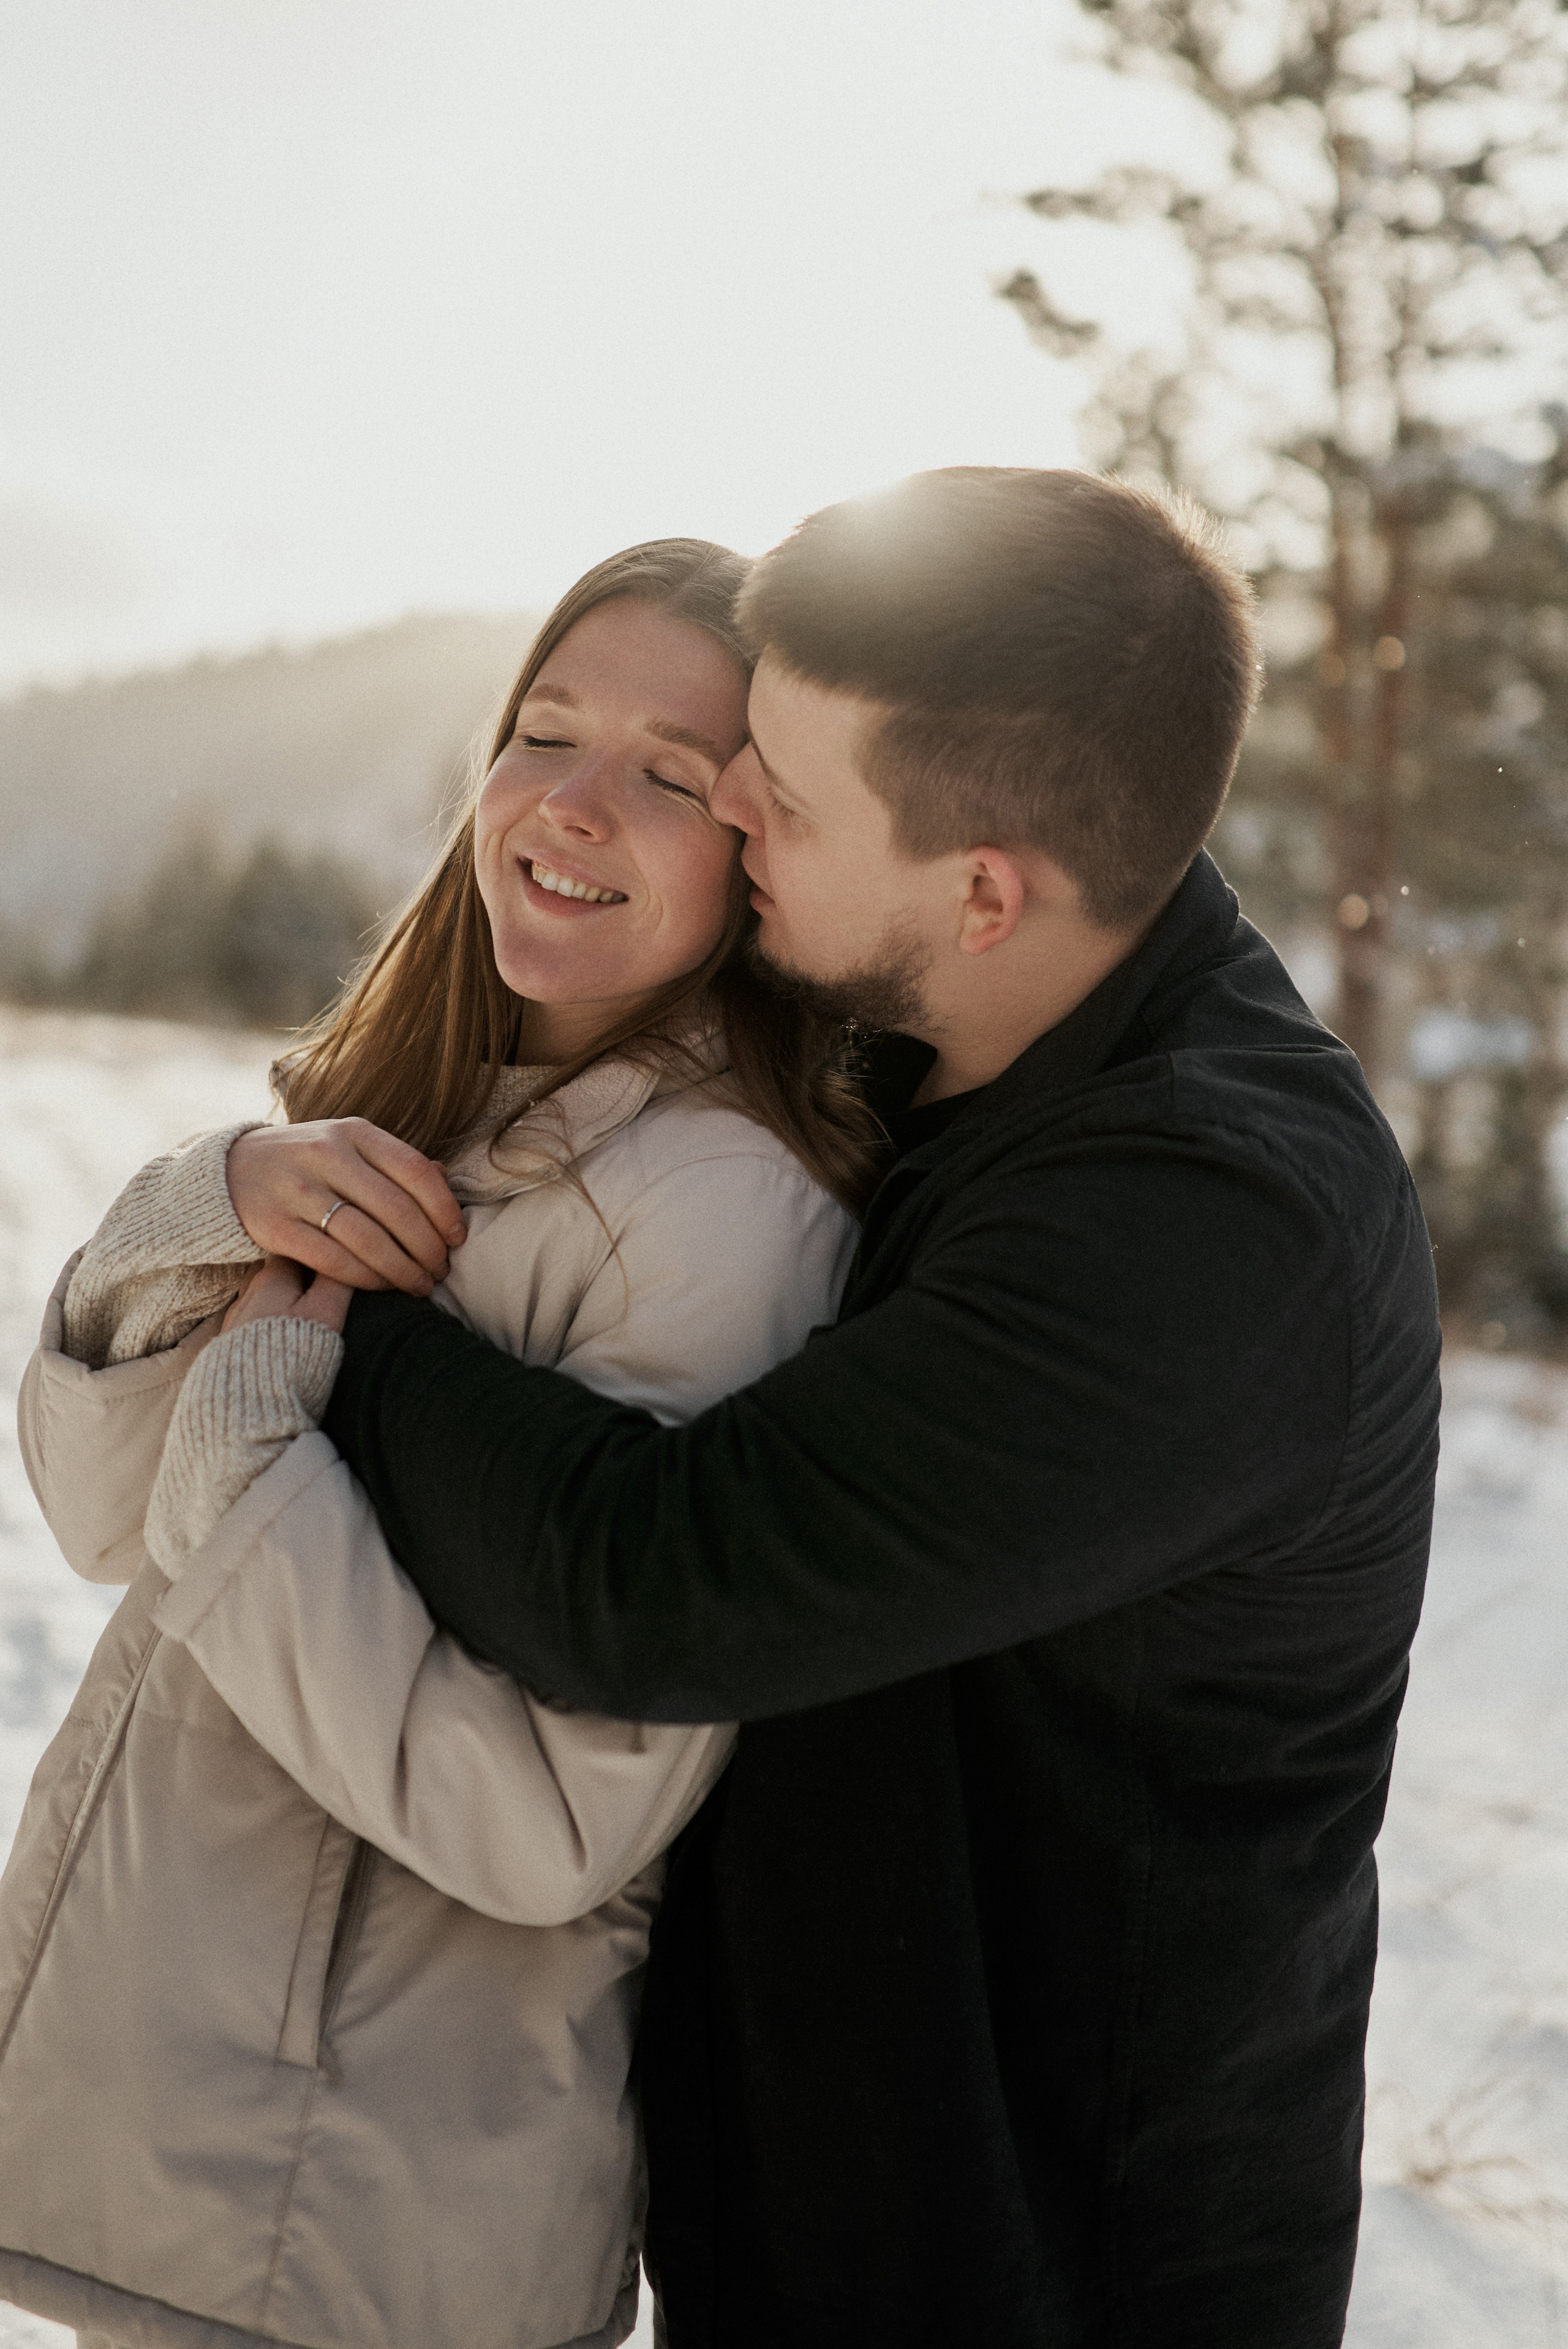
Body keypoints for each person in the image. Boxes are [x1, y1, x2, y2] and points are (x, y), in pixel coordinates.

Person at [298, 470, 1442, 2347]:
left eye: (787, 791)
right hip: (813, 2222)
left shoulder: (1218, 1232)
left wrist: (338, 1303)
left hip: (1050, 2278)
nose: (735, 801)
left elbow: (657, 1584)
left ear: (985, 890)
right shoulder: (937, 1021)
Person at [0, 541, 880, 2349]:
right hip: (187, 2146)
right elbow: (100, 1519)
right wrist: (198, 1202)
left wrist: (252, 1443)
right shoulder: (426, 1107)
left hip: (355, 2205)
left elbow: (551, 1814)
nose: (572, 802)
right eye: (544, 730)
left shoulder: (727, 1215)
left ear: (761, 850)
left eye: (668, 772)